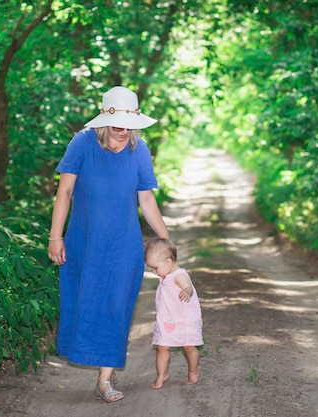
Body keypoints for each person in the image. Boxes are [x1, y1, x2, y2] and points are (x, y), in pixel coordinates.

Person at [47, 86, 169, 403]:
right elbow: (65, 193)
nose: (124, 132)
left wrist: (165, 240)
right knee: (85, 302)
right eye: (118, 126)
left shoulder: (138, 150)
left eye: (129, 126)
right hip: (85, 243)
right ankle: (103, 368)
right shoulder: (83, 144)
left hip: (124, 247)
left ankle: (105, 378)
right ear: (104, 122)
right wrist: (55, 236)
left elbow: (146, 198)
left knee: (117, 306)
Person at [144, 237, 203, 389]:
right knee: (162, 346)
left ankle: (193, 371)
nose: (154, 271)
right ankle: (162, 374)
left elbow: (186, 285)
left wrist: (187, 290)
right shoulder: (165, 275)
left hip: (186, 320)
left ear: (169, 262)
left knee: (188, 346)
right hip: (168, 319)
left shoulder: (179, 275)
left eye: (155, 267)